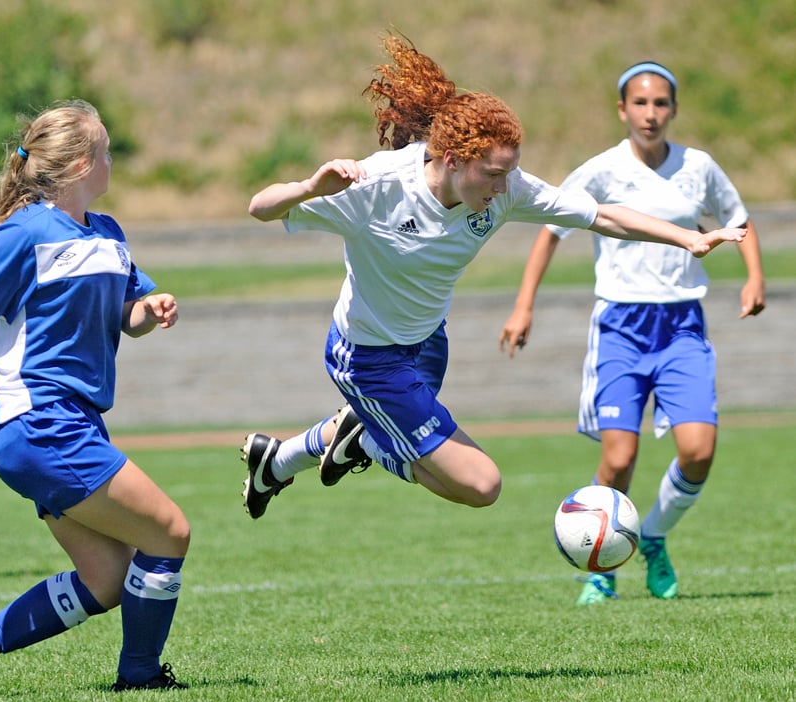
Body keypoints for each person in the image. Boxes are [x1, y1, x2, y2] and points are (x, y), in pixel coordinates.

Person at [240, 36, 745, 522]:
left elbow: (602, 216)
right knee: (481, 485)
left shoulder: (506, 188)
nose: (505, 188)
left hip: (428, 341)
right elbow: (259, 208)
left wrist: (686, 239)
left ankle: (277, 462)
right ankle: (370, 438)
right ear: (454, 160)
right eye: (494, 175)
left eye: (510, 173)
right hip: (369, 358)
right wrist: (309, 187)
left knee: (393, 431)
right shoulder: (375, 189)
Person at [498, 61, 765, 605]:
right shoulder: (600, 170)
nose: (650, 113)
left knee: (698, 451)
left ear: (673, 109)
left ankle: (655, 536)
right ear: (623, 110)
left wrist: (754, 277)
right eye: (640, 103)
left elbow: (738, 219)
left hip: (682, 325)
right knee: (618, 460)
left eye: (660, 103)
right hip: (621, 326)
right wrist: (523, 306)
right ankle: (601, 567)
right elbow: (550, 231)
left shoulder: (699, 167)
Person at [0, 99, 190, 694]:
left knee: (106, 579)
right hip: (40, 422)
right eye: (106, 153)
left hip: (68, 423)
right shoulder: (25, 231)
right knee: (169, 531)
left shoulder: (107, 233)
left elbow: (125, 315)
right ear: (82, 164)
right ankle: (139, 675)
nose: (111, 162)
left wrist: (146, 310)